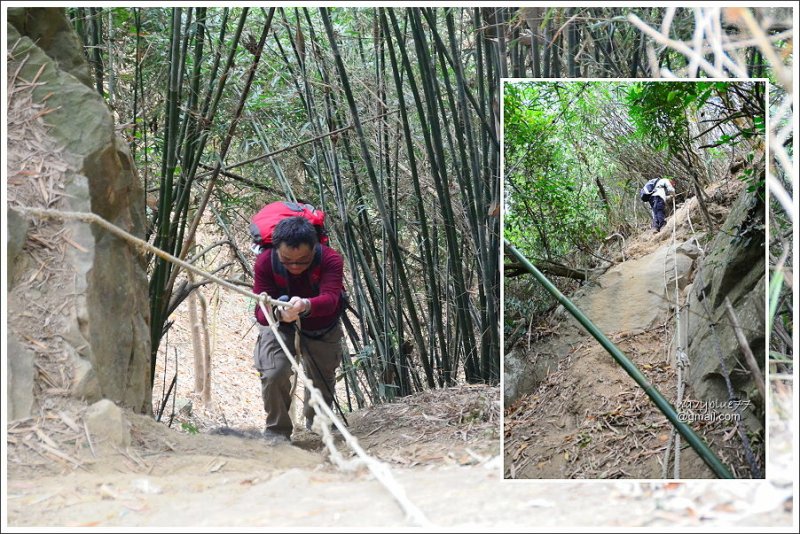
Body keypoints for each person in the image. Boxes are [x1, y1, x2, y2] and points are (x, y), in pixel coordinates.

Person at [252, 216, 345, 444]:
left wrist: (305, 305)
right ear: (276, 250)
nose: (294, 267)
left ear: (315, 248)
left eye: (302, 260)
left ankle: (318, 424)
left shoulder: (330, 259)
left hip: (322, 325)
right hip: (278, 325)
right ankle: (277, 432)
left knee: (321, 377)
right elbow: (260, 311)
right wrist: (278, 314)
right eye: (287, 260)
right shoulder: (265, 261)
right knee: (274, 373)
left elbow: (331, 299)